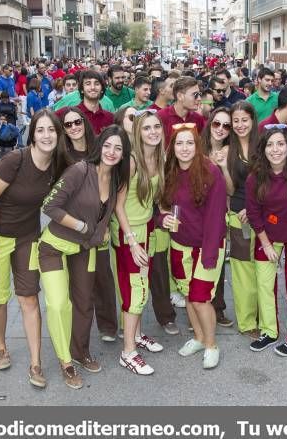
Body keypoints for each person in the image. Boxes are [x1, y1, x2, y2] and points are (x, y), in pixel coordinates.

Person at [0, 109, 68, 389]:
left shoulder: (57, 165)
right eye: (40, 130)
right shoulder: (15, 160)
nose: (46, 135)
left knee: (28, 298)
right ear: (32, 135)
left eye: (51, 130)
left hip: (27, 238)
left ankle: (35, 362)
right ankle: (1, 345)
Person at [38, 126, 130, 389]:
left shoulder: (115, 180)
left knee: (84, 303)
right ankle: (65, 362)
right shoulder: (80, 171)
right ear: (99, 146)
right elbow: (49, 206)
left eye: (119, 148)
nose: (112, 152)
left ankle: (80, 351)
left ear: (123, 154)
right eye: (108, 145)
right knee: (58, 305)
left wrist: (103, 235)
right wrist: (81, 226)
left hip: (86, 249)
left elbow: (110, 214)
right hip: (54, 246)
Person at [160, 123, 227, 369]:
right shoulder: (170, 171)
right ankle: (199, 338)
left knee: (200, 297)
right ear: (172, 147)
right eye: (179, 143)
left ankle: (211, 344)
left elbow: (216, 217)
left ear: (197, 145)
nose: (185, 148)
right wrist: (163, 218)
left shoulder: (211, 172)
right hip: (180, 245)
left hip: (207, 246)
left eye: (190, 143)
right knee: (189, 295)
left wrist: (209, 254)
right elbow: (162, 206)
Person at [245, 127, 287, 355]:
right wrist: (264, 243)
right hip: (268, 236)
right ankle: (269, 331)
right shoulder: (255, 177)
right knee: (264, 284)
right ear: (263, 149)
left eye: (280, 144)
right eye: (270, 145)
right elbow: (254, 214)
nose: (275, 150)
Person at [112, 109, 166, 375]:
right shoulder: (131, 161)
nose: (153, 132)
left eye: (156, 127)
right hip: (129, 232)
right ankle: (128, 352)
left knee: (140, 286)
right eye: (146, 128)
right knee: (135, 291)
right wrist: (132, 242)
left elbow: (153, 200)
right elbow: (118, 206)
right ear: (137, 132)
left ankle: (137, 334)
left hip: (146, 228)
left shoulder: (158, 157)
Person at [221, 102, 259, 338]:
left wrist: (254, 207)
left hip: (263, 215)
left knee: (264, 272)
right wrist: (223, 167)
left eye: (244, 119)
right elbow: (229, 189)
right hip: (238, 217)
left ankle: (265, 317)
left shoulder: (264, 144)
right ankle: (247, 323)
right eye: (236, 121)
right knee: (243, 274)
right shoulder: (227, 150)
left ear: (253, 120)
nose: (240, 125)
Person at [201, 108, 235, 328]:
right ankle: (199, 305)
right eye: (217, 124)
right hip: (197, 212)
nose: (221, 129)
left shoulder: (231, 151)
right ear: (210, 124)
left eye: (226, 126)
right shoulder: (195, 147)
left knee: (218, 262)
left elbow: (231, 190)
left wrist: (222, 167)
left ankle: (217, 307)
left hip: (220, 213)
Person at [158, 76, 206, 142]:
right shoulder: (160, 117)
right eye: (195, 95)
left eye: (199, 94)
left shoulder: (198, 119)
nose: (199, 98)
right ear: (180, 96)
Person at [72, 71, 114, 135]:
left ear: (102, 89)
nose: (93, 87)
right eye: (88, 84)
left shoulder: (110, 118)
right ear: (82, 89)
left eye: (97, 84)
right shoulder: (73, 115)